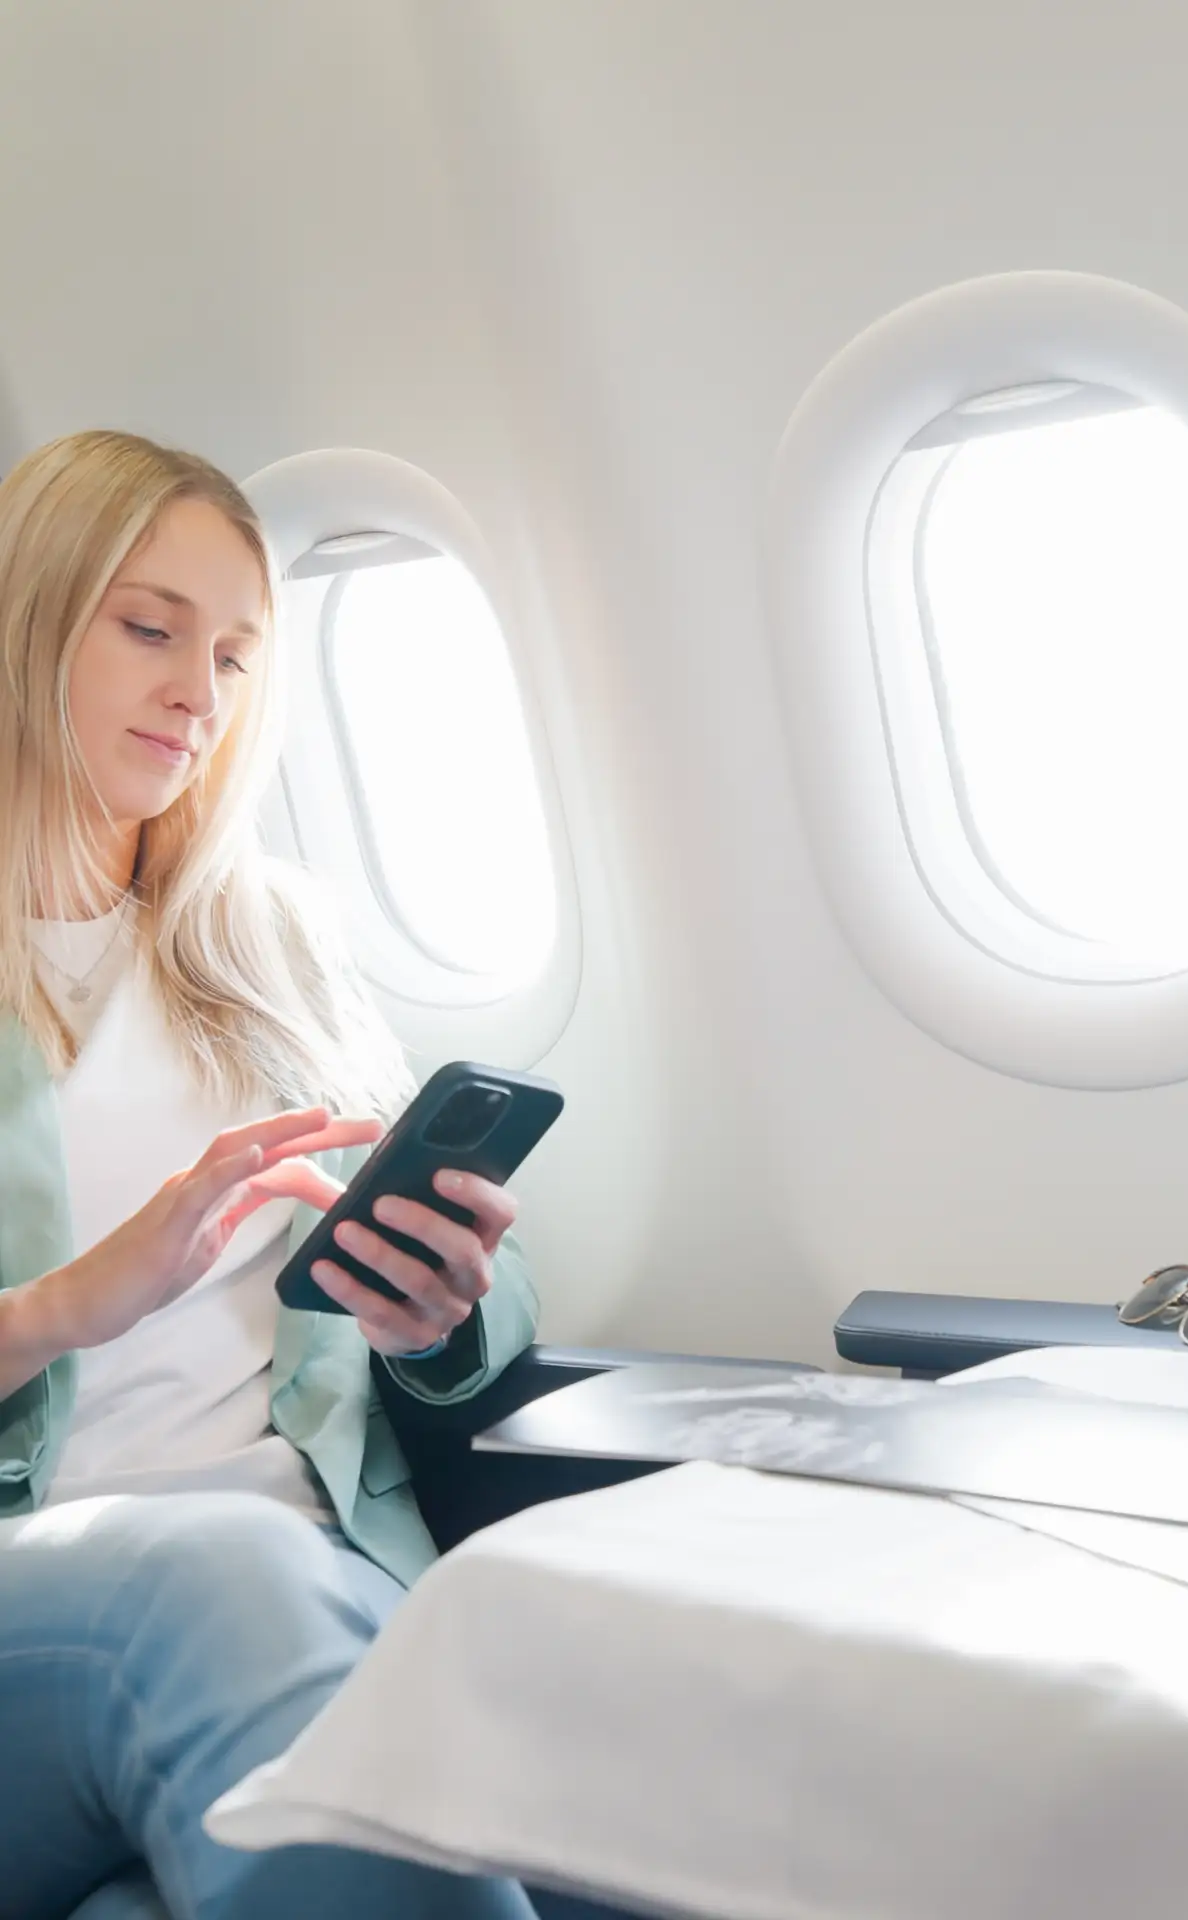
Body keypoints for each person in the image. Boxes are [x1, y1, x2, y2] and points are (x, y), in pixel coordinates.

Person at [0, 430, 591, 1920]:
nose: (200, 692)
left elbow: (479, 1297)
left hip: (315, 1571)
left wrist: (433, 1315)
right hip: (85, 1590)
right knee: (219, 1585)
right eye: (149, 629)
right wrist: (65, 1305)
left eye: (239, 655)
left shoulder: (266, 942)